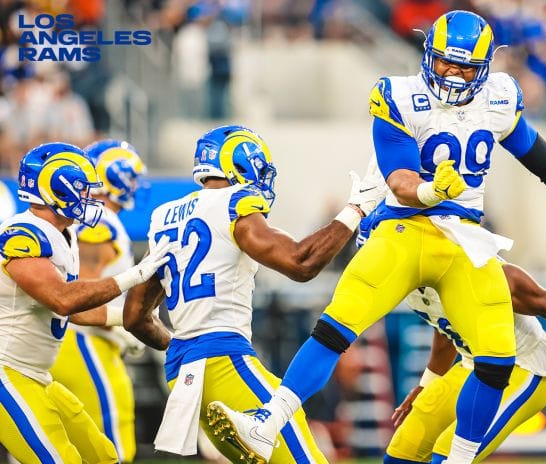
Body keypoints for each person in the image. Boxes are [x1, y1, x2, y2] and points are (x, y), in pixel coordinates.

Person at [208, 10, 546, 464]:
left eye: (466, 67)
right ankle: (266, 424)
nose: (453, 74)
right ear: (428, 55)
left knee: (496, 358)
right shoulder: (400, 96)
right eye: (447, 62)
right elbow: (400, 178)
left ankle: (460, 459)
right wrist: (430, 191)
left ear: (486, 68)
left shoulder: (499, 98)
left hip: (465, 237)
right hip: (405, 226)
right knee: (336, 325)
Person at [122, 125, 386, 463]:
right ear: (238, 164)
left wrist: (184, 348)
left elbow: (134, 316)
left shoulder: (164, 217)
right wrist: (356, 209)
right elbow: (301, 263)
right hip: (225, 361)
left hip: (182, 374)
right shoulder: (233, 202)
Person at [0, 142, 173, 463]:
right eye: (81, 188)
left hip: (37, 374)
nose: (89, 197)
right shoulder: (21, 234)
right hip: (8, 372)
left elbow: (76, 311)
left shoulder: (61, 235)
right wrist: (134, 276)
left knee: (103, 455)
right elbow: (62, 299)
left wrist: (129, 320)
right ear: (56, 189)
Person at [387, 262, 546, 464]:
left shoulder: (484, 269)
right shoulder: (410, 277)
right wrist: (427, 384)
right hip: (472, 365)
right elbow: (445, 326)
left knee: (450, 454)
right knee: (402, 451)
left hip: (523, 367)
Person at [49, 139, 147, 463]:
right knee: (110, 449)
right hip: (83, 342)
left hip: (66, 341)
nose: (135, 184)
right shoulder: (100, 220)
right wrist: (122, 323)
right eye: (132, 176)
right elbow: (80, 291)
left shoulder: (82, 217)